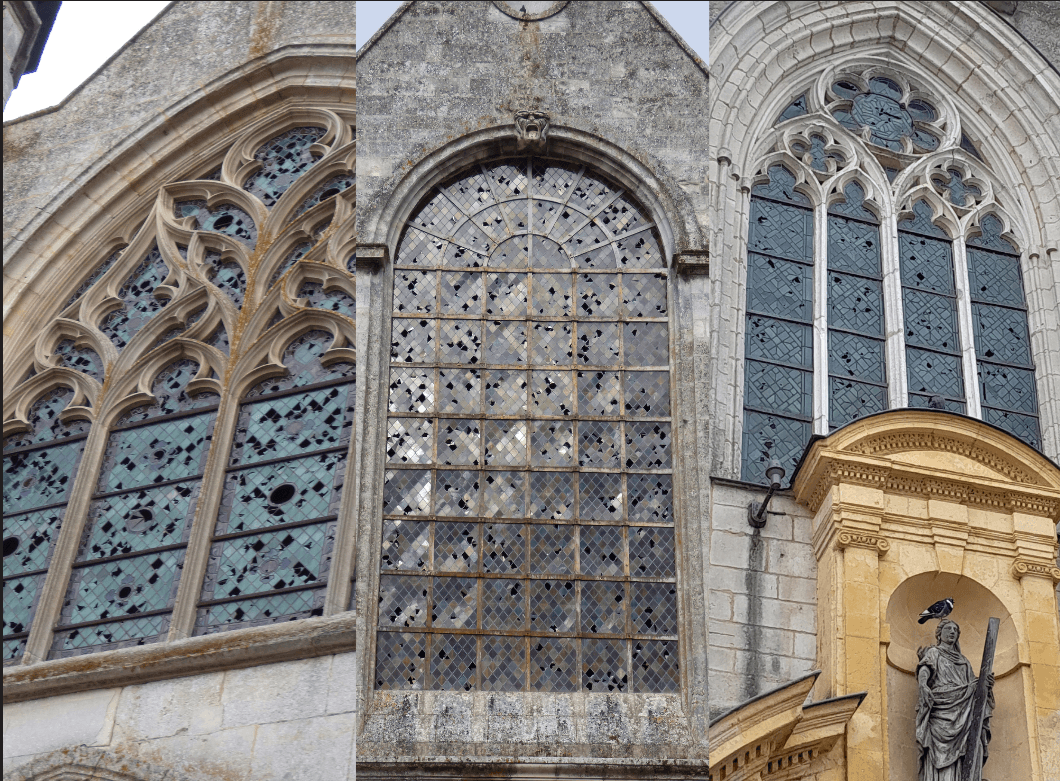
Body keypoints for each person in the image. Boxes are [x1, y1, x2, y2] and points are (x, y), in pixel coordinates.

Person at [916, 618, 994, 781]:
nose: (952, 632)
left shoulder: (964, 661)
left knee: (969, 748)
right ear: (939, 634)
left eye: (955, 630)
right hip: (942, 709)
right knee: (940, 754)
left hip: (964, 710)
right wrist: (923, 684)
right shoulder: (934, 652)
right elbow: (925, 668)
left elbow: (974, 689)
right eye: (948, 629)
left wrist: (985, 685)